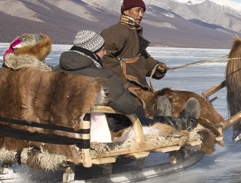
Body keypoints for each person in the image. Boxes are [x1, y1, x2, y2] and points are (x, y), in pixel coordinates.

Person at [58, 30, 199, 131]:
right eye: (102, 50)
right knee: (134, 114)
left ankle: (161, 119)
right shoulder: (100, 76)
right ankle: (180, 124)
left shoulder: (55, 72)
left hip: (63, 128)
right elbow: (128, 106)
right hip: (98, 130)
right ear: (93, 52)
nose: (105, 53)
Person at [101, 0, 167, 93]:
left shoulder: (134, 32)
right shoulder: (117, 31)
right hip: (126, 90)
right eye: (138, 10)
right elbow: (105, 57)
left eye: (143, 11)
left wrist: (157, 68)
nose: (141, 15)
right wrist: (123, 84)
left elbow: (142, 60)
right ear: (126, 11)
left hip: (138, 87)